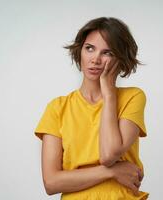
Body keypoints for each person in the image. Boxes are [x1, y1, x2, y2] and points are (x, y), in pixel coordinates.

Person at [34, 17, 149, 200]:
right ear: (79, 52)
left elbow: (109, 155)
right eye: (89, 48)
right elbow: (51, 182)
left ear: (120, 58)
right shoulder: (57, 108)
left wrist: (109, 95)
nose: (95, 59)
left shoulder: (132, 97)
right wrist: (111, 173)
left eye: (108, 52)